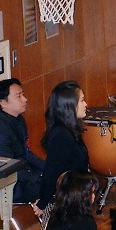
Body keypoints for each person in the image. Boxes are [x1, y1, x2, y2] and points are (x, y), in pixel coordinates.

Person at [0, 78, 43, 207]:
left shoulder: (18, 120)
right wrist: (38, 177)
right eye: (18, 96)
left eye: (23, 94)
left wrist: (47, 168)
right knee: (55, 187)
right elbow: (6, 168)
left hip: (21, 175)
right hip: (7, 185)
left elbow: (26, 154)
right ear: (3, 103)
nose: (25, 99)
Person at [36, 80, 88, 213]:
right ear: (69, 105)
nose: (85, 104)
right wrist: (43, 203)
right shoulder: (61, 135)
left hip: (74, 198)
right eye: (82, 101)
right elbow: (51, 171)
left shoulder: (69, 130)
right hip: (66, 204)